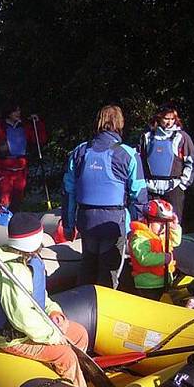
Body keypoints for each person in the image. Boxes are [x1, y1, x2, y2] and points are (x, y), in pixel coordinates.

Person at [0, 212, 89, 387]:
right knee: (64, 354)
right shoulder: (12, 272)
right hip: (15, 339)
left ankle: (72, 374)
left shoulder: (30, 260)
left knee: (79, 333)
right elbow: (20, 317)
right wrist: (53, 336)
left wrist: (54, 310)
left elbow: (40, 295)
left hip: (37, 328)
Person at [62, 105, 148, 289]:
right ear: (120, 123)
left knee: (87, 267)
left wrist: (68, 225)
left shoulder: (79, 151)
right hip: (114, 224)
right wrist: (138, 231)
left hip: (86, 221)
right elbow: (139, 196)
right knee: (109, 274)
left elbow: (68, 192)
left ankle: (80, 306)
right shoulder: (128, 154)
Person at [0, 103, 47, 223]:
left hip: (21, 168)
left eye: (19, 111)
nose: (18, 113)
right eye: (15, 111)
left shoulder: (25, 125)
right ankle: (2, 222)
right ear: (8, 113)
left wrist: (37, 124)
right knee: (5, 198)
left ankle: (14, 221)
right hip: (3, 168)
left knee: (18, 197)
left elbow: (40, 139)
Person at [138, 103, 194, 222]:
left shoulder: (182, 137)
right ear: (159, 118)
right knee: (149, 225)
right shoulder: (147, 137)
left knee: (173, 225)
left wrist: (182, 184)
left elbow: (191, 162)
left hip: (173, 187)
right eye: (166, 118)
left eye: (172, 119)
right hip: (151, 188)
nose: (169, 122)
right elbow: (139, 160)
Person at [128, 199, 182, 301]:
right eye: (159, 223)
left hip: (165, 281)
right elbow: (144, 258)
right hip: (148, 285)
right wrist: (163, 258)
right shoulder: (140, 237)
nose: (163, 227)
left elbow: (176, 242)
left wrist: (175, 227)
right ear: (147, 221)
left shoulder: (162, 234)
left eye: (165, 224)